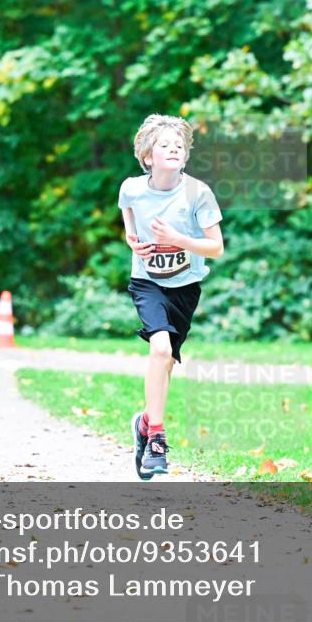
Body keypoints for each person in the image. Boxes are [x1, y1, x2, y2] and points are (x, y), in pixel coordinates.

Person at [119, 115, 224, 479]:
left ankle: (146, 423)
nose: (174, 149)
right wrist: (134, 240)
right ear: (147, 156)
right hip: (147, 282)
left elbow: (216, 247)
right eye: (165, 145)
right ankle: (158, 442)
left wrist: (179, 240)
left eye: (179, 145)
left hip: (185, 287)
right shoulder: (131, 188)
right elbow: (129, 222)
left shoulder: (198, 193)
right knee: (159, 349)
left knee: (166, 362)